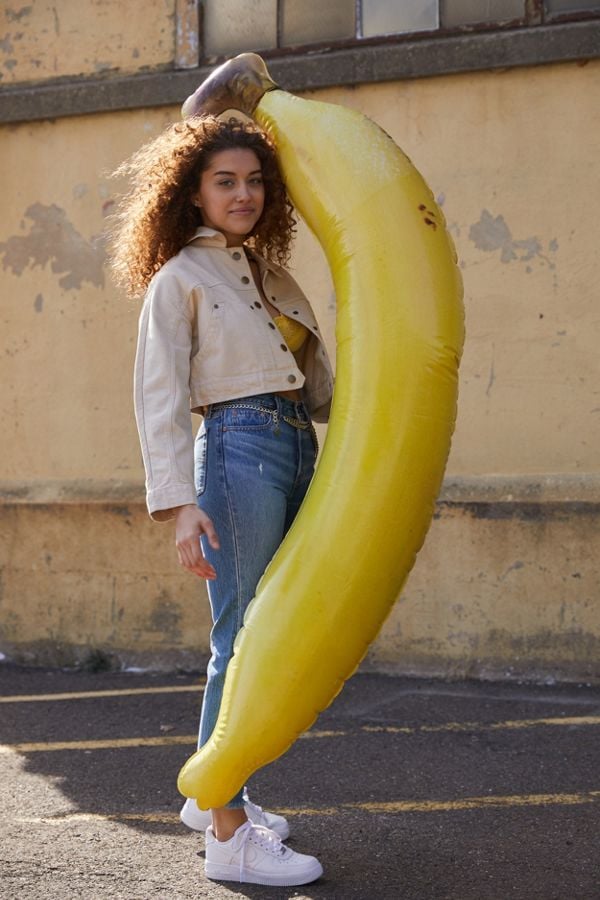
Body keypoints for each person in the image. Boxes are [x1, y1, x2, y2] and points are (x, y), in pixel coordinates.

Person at [110, 115, 333, 886]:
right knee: (239, 638)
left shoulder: (269, 274)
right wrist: (177, 505)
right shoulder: (180, 280)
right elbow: (158, 398)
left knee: (279, 631)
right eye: (224, 181)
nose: (243, 194)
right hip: (239, 447)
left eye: (254, 180)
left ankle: (214, 791)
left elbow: (313, 380)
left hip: (299, 442)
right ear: (191, 194)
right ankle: (229, 832)